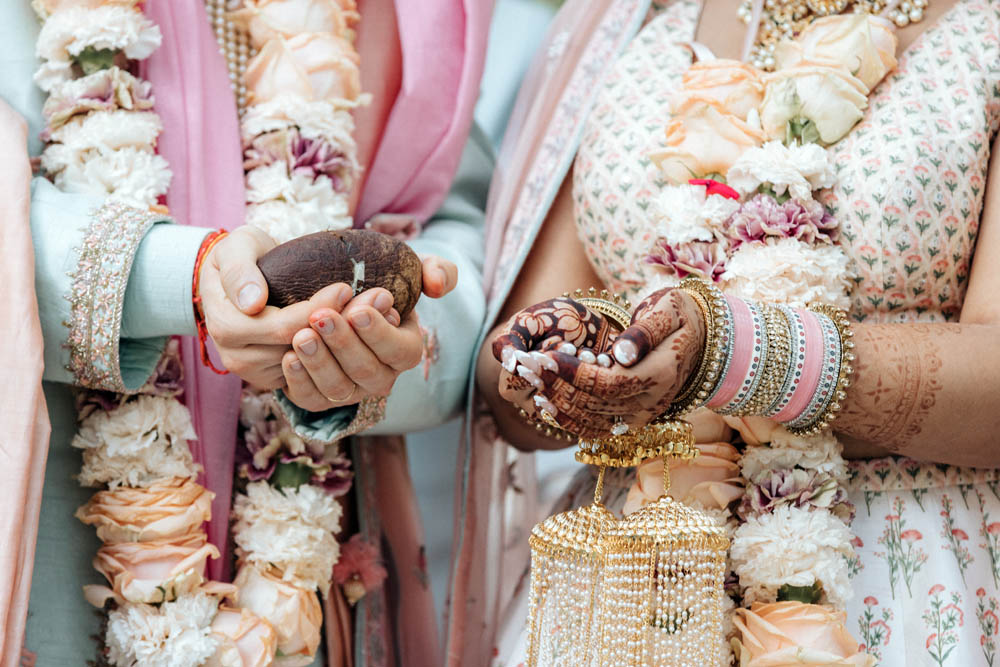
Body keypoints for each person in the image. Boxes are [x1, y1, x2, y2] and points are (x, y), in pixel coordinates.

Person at [447, 0, 1000, 664]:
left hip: (903, 588)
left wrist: (728, 356)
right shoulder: (632, 27)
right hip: (632, 588)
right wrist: (566, 363)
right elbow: (509, 378)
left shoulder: (983, 33)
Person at [0, 0, 492, 665]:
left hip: (314, 565)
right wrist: (185, 278)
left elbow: (469, 248)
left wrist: (382, 343)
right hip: (56, 553)